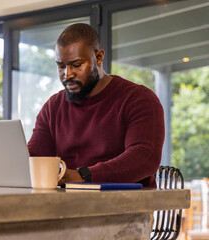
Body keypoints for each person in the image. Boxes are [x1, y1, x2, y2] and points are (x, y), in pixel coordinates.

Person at [27, 23, 165, 188]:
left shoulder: (138, 99)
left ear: (98, 57)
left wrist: (82, 176)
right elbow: (34, 158)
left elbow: (145, 157)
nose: (67, 74)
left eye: (77, 65)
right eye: (61, 66)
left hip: (127, 208)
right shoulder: (53, 107)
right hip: (68, 205)